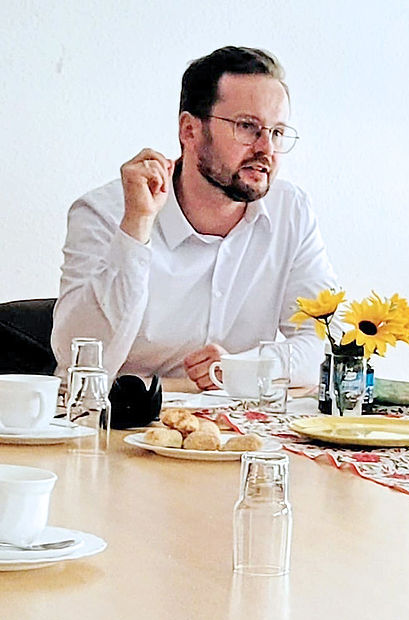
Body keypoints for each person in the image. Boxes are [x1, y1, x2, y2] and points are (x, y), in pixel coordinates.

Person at [51, 46, 337, 389]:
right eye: (248, 127)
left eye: (276, 132)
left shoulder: (290, 210)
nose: (267, 150)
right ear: (189, 130)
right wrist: (136, 228)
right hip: (125, 417)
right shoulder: (105, 212)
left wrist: (242, 367)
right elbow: (78, 363)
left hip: (236, 419)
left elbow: (329, 346)